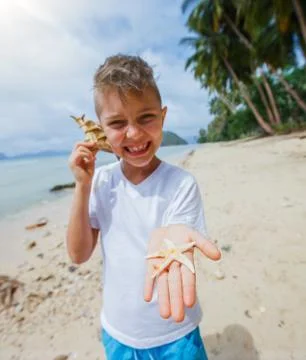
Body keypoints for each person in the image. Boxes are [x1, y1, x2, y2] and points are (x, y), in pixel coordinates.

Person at [67, 54, 221, 359]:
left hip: (176, 333)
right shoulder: (101, 181)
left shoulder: (181, 184)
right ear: (101, 129)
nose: (134, 133)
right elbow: (78, 254)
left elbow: (177, 232)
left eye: (146, 117)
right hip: (118, 332)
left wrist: (172, 235)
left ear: (163, 117)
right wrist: (82, 185)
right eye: (117, 123)